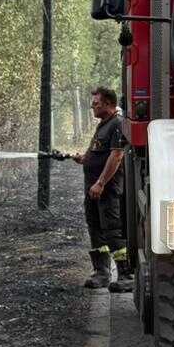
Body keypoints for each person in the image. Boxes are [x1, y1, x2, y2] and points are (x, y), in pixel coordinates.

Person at [72, 86, 131, 292]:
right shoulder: (103, 125)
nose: (92, 106)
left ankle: (126, 274)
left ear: (108, 103)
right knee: (95, 228)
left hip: (107, 188)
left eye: (96, 103)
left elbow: (116, 156)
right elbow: (100, 152)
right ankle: (102, 272)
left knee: (112, 229)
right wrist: (84, 158)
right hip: (93, 188)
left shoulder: (117, 124)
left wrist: (101, 183)